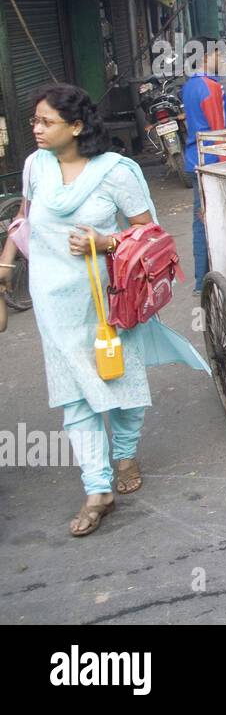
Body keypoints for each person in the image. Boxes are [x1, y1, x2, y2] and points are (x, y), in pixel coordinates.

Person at [0, 86, 208, 537]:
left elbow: (148, 231)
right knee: (73, 393)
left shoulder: (116, 172)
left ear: (75, 127)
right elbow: (25, 218)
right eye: (34, 121)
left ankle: (126, 450)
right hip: (53, 300)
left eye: (45, 122)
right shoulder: (35, 166)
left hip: (110, 295)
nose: (35, 129)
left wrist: (105, 241)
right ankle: (97, 488)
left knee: (121, 377)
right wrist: (5, 265)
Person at [180, 39, 226, 295]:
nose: (222, 58)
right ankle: (205, 281)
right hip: (211, 161)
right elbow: (219, 130)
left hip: (195, 159)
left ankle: (202, 279)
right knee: (212, 220)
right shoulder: (211, 88)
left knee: (200, 220)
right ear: (206, 55)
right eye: (219, 53)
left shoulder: (190, 86)